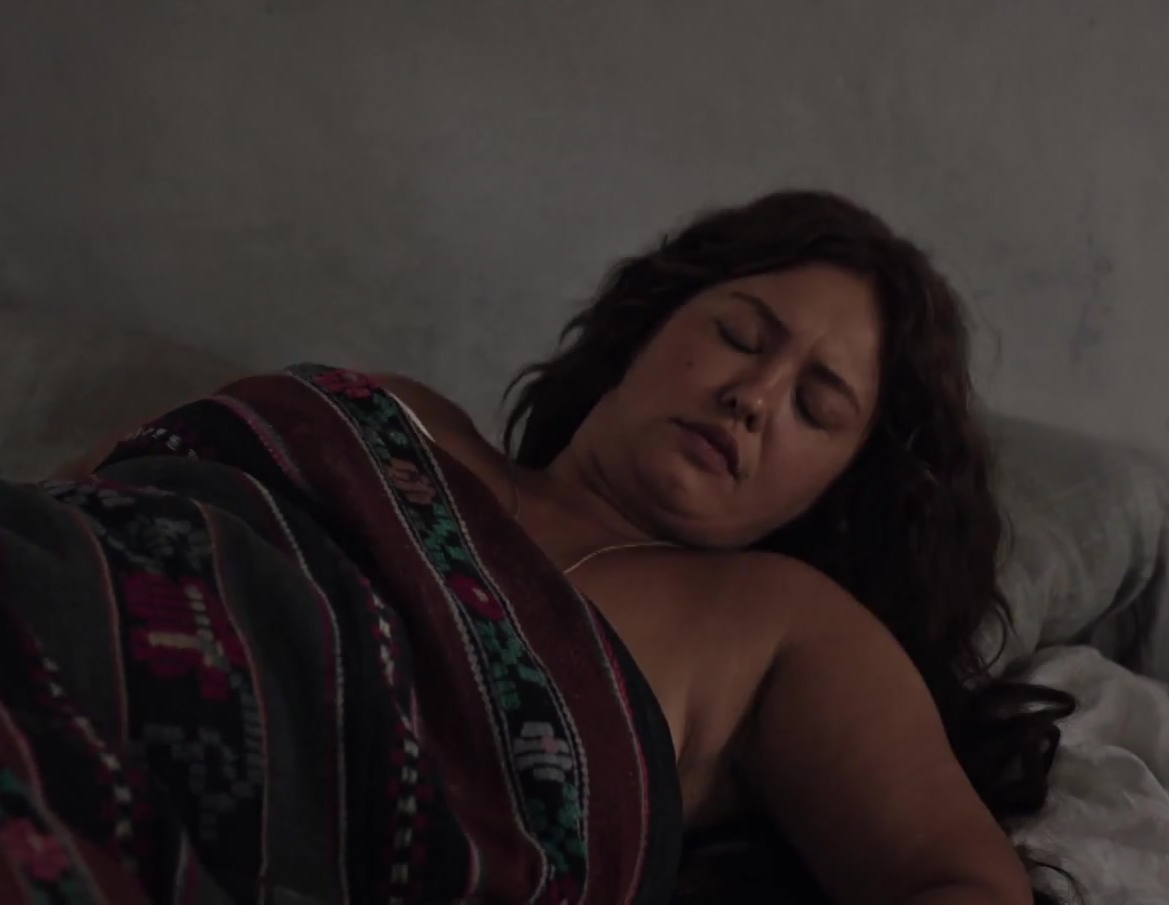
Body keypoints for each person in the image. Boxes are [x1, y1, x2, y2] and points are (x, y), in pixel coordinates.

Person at [372, 190, 1075, 903]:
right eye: (739, 336)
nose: (755, 396)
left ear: (837, 489)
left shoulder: (777, 621)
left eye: (815, 408)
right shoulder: (405, 415)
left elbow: (970, 888)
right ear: (649, 323)